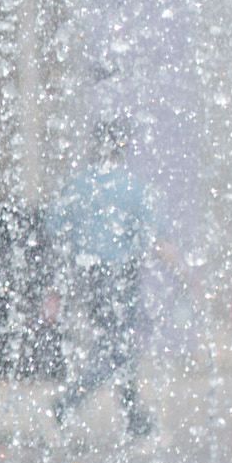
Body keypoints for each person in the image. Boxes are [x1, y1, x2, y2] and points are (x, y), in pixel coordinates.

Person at [45, 112, 168, 440]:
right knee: (118, 349)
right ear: (122, 148)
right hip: (121, 277)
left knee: (116, 345)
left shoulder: (78, 185)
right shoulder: (131, 188)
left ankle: (132, 416)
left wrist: (58, 282)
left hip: (89, 278)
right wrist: (185, 274)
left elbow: (54, 229)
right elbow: (153, 237)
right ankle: (70, 402)